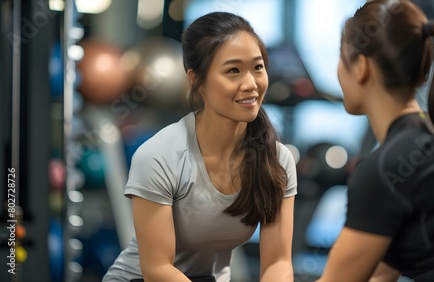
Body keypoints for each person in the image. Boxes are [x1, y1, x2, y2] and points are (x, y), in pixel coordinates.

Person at [103, 12, 297, 282]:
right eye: (233, 71)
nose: (251, 84)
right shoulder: (160, 156)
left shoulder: (277, 160)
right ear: (196, 80)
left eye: (258, 67)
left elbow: (278, 262)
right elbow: (157, 269)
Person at [317, 0, 434, 281]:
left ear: (362, 67)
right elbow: (380, 275)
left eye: (342, 58)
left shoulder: (386, 169)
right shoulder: (432, 137)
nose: (338, 71)